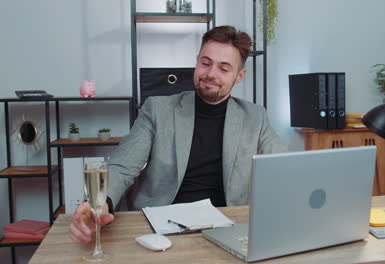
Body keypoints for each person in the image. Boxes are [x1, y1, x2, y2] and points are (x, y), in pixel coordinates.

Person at [69, 25, 287, 244]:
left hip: (228, 229)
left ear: (239, 76)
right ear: (196, 61)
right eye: (205, 63)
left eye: (224, 68)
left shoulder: (255, 117)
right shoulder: (157, 109)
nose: (210, 74)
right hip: (162, 229)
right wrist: (102, 202)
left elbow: (284, 167)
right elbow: (122, 166)